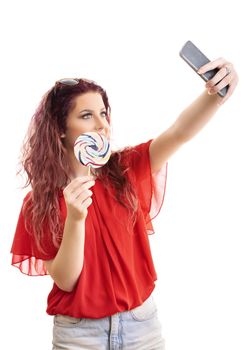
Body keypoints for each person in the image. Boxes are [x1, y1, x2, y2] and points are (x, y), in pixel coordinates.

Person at [10, 56, 238, 350]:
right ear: (61, 129)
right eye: (87, 115)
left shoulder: (125, 170)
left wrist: (214, 97)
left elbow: (179, 132)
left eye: (103, 113)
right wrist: (75, 219)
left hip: (141, 327)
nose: (102, 124)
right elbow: (66, 281)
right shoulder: (40, 202)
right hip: (79, 336)